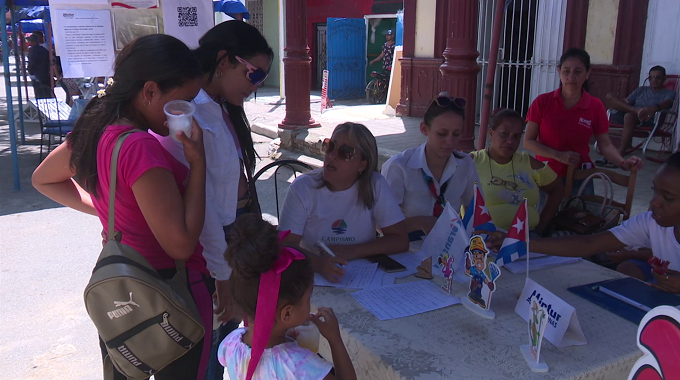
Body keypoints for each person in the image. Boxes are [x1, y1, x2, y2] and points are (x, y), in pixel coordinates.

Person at [31, 34, 212, 379]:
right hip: (171, 292)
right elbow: (181, 244)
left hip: (122, 295)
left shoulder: (96, 129)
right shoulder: (141, 147)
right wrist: (199, 163)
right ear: (149, 92)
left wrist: (108, 212)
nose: (187, 112)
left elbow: (44, 179)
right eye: (183, 101)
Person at [153, 20, 273, 380]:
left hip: (231, 239)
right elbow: (201, 204)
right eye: (254, 76)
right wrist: (221, 274)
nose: (257, 87)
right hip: (213, 249)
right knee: (210, 350)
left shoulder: (217, 107)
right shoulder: (191, 115)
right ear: (224, 61)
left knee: (222, 346)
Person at [485, 152, 680, 294]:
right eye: (655, 191)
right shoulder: (650, 223)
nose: (654, 201)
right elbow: (589, 243)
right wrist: (521, 242)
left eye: (668, 198)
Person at [217, 214, 356, 380]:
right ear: (287, 314)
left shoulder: (232, 343)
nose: (309, 304)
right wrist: (335, 340)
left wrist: (287, 337)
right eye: (307, 299)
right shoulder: (299, 364)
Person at [279, 122, 409, 282]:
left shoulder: (375, 184)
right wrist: (319, 264)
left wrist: (351, 251)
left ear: (362, 164)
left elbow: (400, 240)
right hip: (313, 275)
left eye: (345, 152)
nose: (332, 155)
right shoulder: (303, 188)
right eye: (330, 146)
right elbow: (285, 246)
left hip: (363, 275)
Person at [524, 48, 643, 192]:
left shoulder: (595, 106)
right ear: (559, 71)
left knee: (581, 213)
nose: (571, 76)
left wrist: (623, 162)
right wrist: (559, 156)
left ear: (588, 73)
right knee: (544, 214)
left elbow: (605, 145)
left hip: (581, 176)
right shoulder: (542, 102)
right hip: (546, 175)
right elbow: (528, 141)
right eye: (566, 71)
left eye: (578, 71)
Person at [382, 93, 480, 239]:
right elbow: (380, 224)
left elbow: (476, 210)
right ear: (424, 129)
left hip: (449, 247)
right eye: (442, 133)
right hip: (406, 248)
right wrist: (420, 223)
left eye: (457, 134)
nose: (450, 141)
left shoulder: (465, 164)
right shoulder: (399, 167)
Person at [471, 109, 563, 235]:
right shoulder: (472, 161)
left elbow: (557, 187)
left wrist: (541, 224)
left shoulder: (527, 162)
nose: (510, 141)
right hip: (484, 240)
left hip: (528, 236)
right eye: (504, 134)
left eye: (516, 136)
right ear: (491, 133)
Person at [597, 65, 676, 166]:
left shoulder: (669, 93)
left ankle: (620, 154)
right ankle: (636, 111)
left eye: (658, 77)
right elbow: (627, 101)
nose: (654, 80)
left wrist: (654, 108)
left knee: (629, 116)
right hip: (631, 114)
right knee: (609, 96)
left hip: (648, 119)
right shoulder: (641, 90)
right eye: (651, 77)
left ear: (664, 79)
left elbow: (667, 103)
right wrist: (618, 103)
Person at [27, 33, 52, 99]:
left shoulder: (32, 50)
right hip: (45, 74)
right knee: (46, 93)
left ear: (32, 41)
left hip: (36, 75)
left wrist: (30, 70)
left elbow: (32, 62)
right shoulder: (44, 50)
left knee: (38, 93)